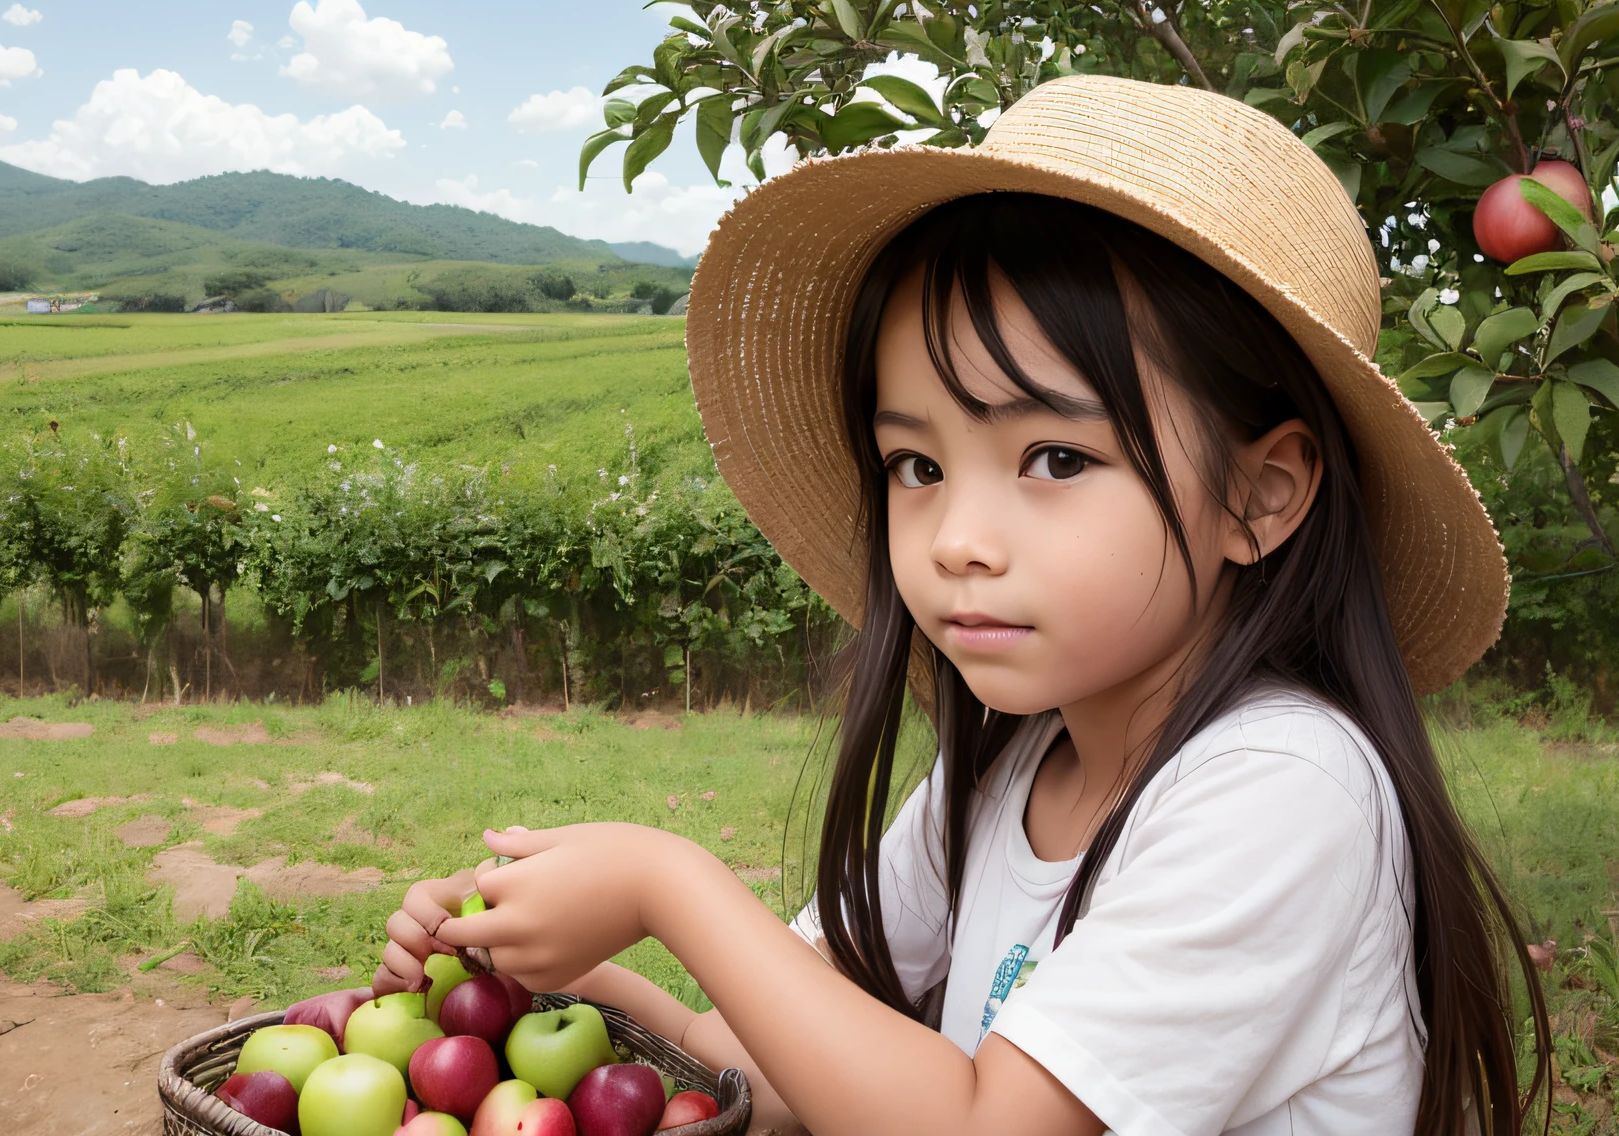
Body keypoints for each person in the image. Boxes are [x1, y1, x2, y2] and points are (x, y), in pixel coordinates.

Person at [373, 75, 1553, 1135]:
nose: (955, 542)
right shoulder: (1008, 773)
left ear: (1259, 494)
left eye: (1052, 458)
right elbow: (792, 1066)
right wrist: (573, 984)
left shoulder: (1284, 791)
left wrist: (667, 884)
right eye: (915, 466)